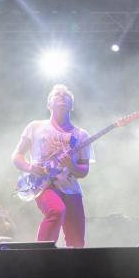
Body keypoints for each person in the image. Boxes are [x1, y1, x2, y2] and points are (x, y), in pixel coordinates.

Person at [11, 84, 91, 248]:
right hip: (44, 186)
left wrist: (71, 165)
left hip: (72, 190)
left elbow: (84, 171)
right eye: (57, 94)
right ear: (49, 105)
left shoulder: (81, 135)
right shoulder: (36, 127)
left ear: (72, 105)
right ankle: (41, 255)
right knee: (56, 210)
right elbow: (17, 156)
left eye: (66, 94)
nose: (62, 95)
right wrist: (31, 167)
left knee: (77, 243)